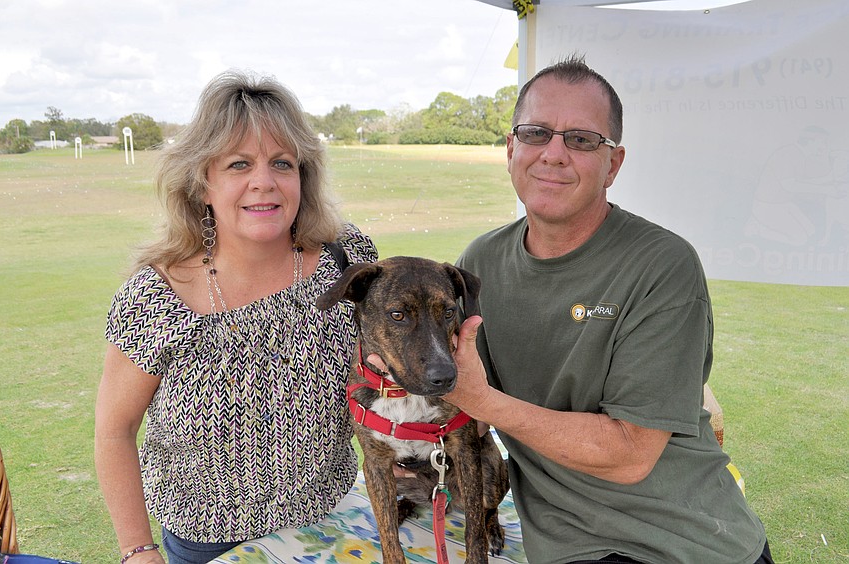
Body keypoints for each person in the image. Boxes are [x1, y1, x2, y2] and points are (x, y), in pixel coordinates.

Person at [446, 54, 773, 563]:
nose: (553, 154)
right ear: (511, 148)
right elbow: (455, 393)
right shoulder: (479, 263)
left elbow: (629, 454)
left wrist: (480, 400)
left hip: (685, 541)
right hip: (569, 542)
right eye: (536, 133)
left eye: (580, 139)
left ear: (613, 164)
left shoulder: (662, 264)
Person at [94, 70, 377, 564]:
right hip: (209, 544)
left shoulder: (345, 256)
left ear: (302, 177)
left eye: (282, 163)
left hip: (333, 520)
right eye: (239, 164)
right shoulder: (157, 295)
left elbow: (369, 371)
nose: (263, 183)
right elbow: (114, 430)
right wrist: (137, 550)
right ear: (203, 183)